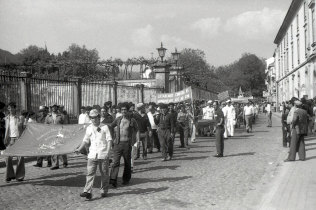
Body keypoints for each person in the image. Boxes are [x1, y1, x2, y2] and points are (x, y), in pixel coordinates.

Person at [76, 109, 112, 200]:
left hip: (103, 154)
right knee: (90, 173)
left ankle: (104, 190)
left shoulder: (105, 127)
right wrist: (79, 149)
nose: (94, 120)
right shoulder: (89, 128)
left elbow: (109, 140)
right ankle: (87, 192)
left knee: (104, 173)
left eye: (95, 118)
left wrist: (108, 152)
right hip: (92, 154)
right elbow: (85, 140)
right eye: (92, 118)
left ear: (99, 117)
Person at [109, 103, 138, 187]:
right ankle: (113, 180)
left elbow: (137, 130)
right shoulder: (118, 119)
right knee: (115, 162)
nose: (124, 111)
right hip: (117, 143)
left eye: (125, 109)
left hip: (127, 144)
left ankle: (126, 179)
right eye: (122, 110)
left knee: (127, 162)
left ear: (128, 110)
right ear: (120, 111)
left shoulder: (132, 120)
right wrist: (112, 137)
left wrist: (136, 140)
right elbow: (110, 126)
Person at [4, 102, 25, 182]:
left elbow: (25, 128)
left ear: (15, 108)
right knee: (8, 157)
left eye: (12, 107)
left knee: (20, 158)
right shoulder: (7, 118)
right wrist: (5, 139)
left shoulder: (20, 118)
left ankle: (19, 176)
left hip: (19, 139)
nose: (11, 109)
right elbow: (6, 129)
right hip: (10, 139)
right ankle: (9, 175)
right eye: (9, 108)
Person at [45, 103, 68, 170]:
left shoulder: (61, 115)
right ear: (51, 108)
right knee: (53, 148)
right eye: (52, 107)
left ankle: (64, 162)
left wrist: (64, 133)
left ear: (57, 108)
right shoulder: (48, 116)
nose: (54, 108)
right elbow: (45, 125)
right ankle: (55, 164)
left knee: (62, 148)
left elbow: (65, 125)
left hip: (60, 134)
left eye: (55, 107)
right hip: (52, 134)